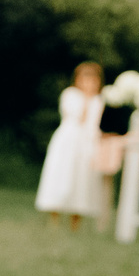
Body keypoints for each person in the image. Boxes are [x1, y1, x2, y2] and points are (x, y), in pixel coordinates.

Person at [35, 61, 109, 230]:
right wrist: (86, 99)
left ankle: (76, 222)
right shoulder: (70, 95)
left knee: (83, 180)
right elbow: (79, 119)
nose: (89, 83)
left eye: (93, 79)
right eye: (85, 78)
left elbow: (93, 125)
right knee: (62, 176)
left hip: (87, 144)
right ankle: (54, 218)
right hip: (69, 142)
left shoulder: (99, 100)